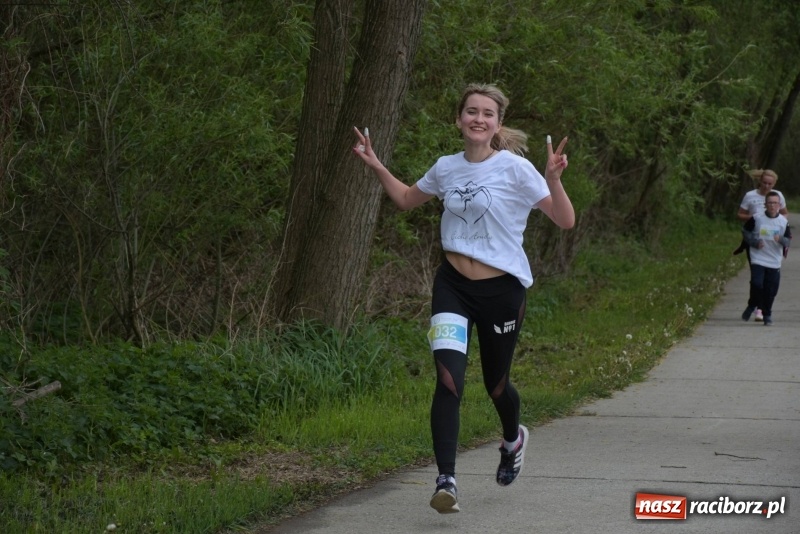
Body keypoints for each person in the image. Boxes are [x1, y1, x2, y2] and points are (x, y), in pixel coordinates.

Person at [352, 83, 575, 514]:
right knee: (449, 380)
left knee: (496, 385)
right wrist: (376, 164)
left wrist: (552, 180)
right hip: (452, 287)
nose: (478, 118)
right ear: (459, 119)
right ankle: (446, 480)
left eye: (487, 113)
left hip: (502, 293)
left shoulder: (515, 169)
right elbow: (404, 199)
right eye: (471, 111)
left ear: (498, 123)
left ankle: (513, 439)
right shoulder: (446, 168)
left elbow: (564, 220)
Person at [733, 169, 789, 321]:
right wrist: (755, 218)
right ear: (760, 181)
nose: (766, 186)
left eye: (770, 184)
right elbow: (740, 215)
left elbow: (785, 214)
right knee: (757, 279)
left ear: (774, 184)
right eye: (764, 183)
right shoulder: (750, 196)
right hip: (755, 241)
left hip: (772, 242)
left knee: (768, 281)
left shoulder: (777, 196)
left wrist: (775, 225)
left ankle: (760, 309)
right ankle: (755, 303)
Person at [740, 191, 791, 326]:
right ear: (765, 204)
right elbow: (745, 231)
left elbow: (788, 241)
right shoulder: (757, 218)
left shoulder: (783, 222)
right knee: (757, 283)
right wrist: (755, 242)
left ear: (779, 205)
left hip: (774, 260)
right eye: (770, 203)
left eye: (775, 203)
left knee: (770, 289)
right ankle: (752, 305)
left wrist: (780, 239)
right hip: (758, 257)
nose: (772, 205)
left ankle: (767, 314)